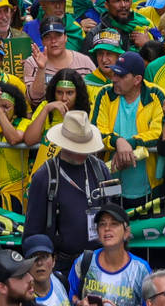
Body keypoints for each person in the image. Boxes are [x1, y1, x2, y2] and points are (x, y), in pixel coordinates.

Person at [25, 111, 108, 282]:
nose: (83, 153)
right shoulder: (44, 177)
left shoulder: (100, 169)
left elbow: (113, 211)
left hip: (100, 260)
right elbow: (32, 231)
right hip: (61, 265)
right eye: (77, 147)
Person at [67, 201, 150, 306]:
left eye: (114, 223)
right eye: (102, 224)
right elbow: (69, 295)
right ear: (97, 232)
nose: (107, 228)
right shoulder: (84, 261)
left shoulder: (140, 269)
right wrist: (79, 303)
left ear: (126, 232)